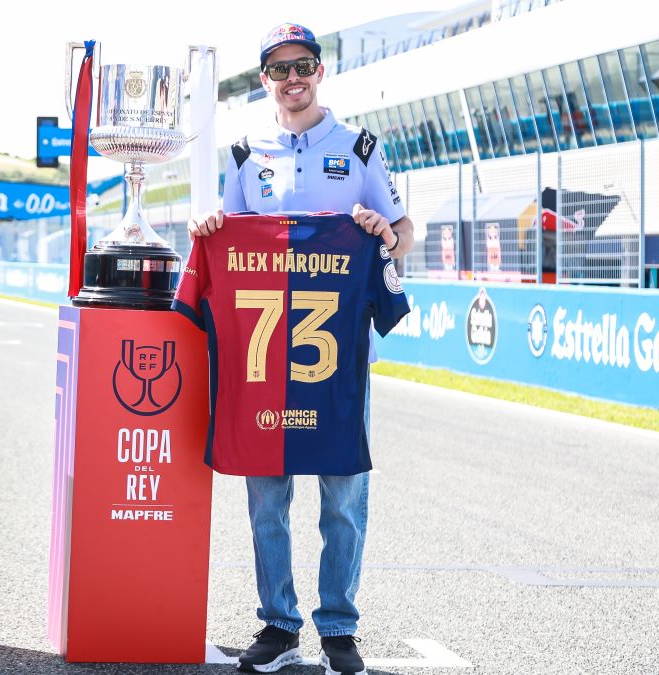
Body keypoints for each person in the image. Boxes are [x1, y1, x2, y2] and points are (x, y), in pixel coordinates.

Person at [188, 23, 415, 675]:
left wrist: (384, 233)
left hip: (337, 358)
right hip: (262, 360)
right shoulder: (240, 153)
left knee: (344, 494)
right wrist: (206, 224)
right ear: (264, 79)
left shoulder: (359, 147)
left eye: (304, 66)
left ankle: (339, 627)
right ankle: (279, 623)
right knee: (267, 498)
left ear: (320, 72)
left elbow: (402, 232)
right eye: (280, 69)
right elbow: (219, 237)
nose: (293, 78)